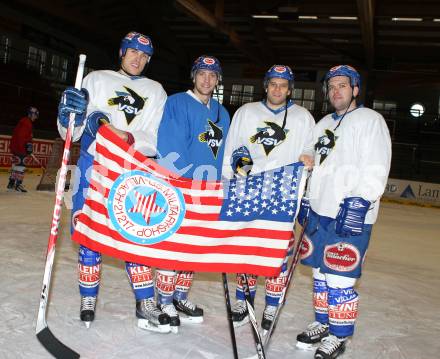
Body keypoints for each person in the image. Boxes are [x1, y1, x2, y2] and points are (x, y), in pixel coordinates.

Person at [56, 31, 171, 333]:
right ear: (121, 52)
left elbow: (154, 137)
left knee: (135, 238)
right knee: (88, 235)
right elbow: (72, 133)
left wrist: (125, 135)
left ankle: (145, 301)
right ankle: (87, 299)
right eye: (133, 52)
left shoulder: (156, 90)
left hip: (133, 173)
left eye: (145, 56)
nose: (138, 58)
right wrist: (69, 114)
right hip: (93, 168)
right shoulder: (96, 80)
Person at [295, 65, 391, 359]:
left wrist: (361, 201)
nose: (336, 91)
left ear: (355, 89)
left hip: (350, 212)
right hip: (320, 210)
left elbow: (378, 163)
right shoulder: (323, 122)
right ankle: (322, 323)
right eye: (331, 86)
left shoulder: (370, 120)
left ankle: (339, 335)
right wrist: (307, 196)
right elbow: (312, 155)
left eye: (342, 86)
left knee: (340, 277)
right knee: (320, 275)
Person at [221, 65, 315, 332]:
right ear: (265, 85)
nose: (277, 89)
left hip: (283, 195)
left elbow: (310, 150)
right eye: (273, 84)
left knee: (278, 252)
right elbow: (233, 148)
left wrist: (309, 159)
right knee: (247, 249)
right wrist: (236, 173)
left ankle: (272, 304)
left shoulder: (302, 117)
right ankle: (243, 301)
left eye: (283, 85)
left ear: (290, 89)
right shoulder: (246, 112)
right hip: (249, 190)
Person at [155, 55, 230, 333]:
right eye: (202, 74)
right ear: (193, 76)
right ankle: (164, 301)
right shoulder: (177, 102)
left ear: (218, 79)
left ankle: (180, 298)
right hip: (181, 188)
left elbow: (221, 156)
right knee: (172, 248)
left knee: (193, 248)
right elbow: (170, 148)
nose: (207, 79)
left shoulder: (223, 112)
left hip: (208, 192)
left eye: (212, 75)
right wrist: (183, 184)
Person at [7, 106, 39, 192]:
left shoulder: (24, 121)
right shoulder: (26, 123)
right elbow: (21, 137)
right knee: (21, 166)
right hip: (20, 148)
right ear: (32, 114)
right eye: (35, 115)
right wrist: (26, 148)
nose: (36, 117)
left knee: (16, 166)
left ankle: (11, 183)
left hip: (16, 148)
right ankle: (18, 185)